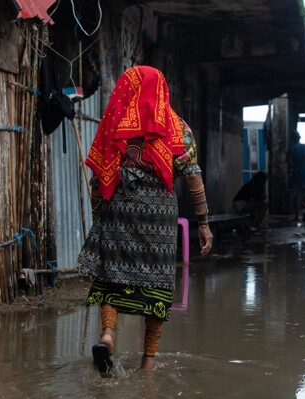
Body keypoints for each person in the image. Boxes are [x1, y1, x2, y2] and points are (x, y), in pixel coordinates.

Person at [76, 66, 214, 374]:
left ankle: (108, 336)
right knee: (157, 283)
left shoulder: (116, 122)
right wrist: (203, 223)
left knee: (111, 275)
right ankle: (148, 359)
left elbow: (98, 176)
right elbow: (193, 178)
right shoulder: (178, 127)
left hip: (119, 209)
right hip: (159, 217)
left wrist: (100, 213)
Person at [286, 131, 305, 222]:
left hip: (297, 176)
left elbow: (290, 164)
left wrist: (289, 172)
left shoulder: (291, 150)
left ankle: (296, 216)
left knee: (295, 197)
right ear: (299, 138)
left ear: (292, 139)